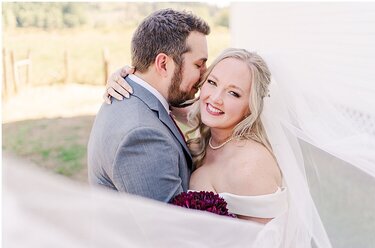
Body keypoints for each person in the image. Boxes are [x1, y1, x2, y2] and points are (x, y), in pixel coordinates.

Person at [105, 48, 287, 225]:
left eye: (234, 93)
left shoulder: (249, 166)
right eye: (213, 82)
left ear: (251, 106)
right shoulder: (211, 127)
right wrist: (123, 77)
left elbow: (271, 247)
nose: (215, 98)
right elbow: (154, 91)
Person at [87, 9, 210, 202]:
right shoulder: (142, 136)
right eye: (198, 65)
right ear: (163, 64)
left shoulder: (134, 96)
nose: (205, 76)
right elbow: (167, 227)